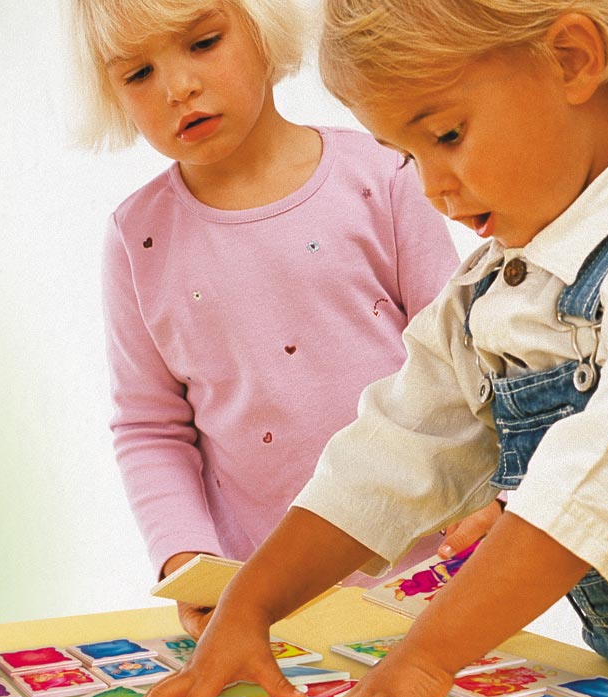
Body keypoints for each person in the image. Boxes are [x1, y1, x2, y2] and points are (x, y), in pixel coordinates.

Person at [144, 1, 608, 697]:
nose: (431, 187)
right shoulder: (491, 291)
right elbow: (386, 460)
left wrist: (423, 661)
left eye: (447, 134)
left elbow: (583, 502)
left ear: (572, 59)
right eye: (408, 156)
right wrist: (250, 607)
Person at [69, 0, 496, 639]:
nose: (177, 87)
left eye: (204, 43)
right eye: (138, 74)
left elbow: (464, 359)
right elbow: (150, 427)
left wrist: (497, 491)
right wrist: (187, 558)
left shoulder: (383, 176)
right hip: (260, 596)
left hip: (422, 576)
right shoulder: (139, 237)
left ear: (265, 32)